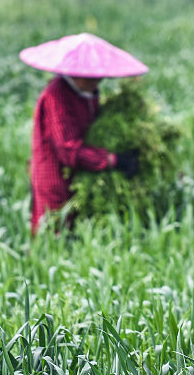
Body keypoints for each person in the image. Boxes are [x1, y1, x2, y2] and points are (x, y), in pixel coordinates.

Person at [20, 32, 148, 234]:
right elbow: (68, 150)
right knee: (54, 230)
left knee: (79, 231)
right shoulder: (57, 96)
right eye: (90, 76)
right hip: (56, 177)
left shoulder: (89, 93)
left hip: (79, 177)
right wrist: (113, 160)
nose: (97, 80)